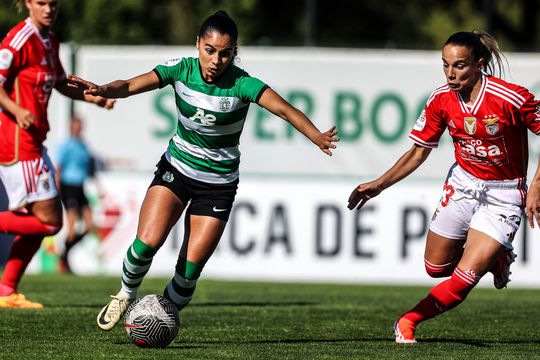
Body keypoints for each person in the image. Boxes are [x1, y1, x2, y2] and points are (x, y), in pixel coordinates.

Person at [67, 10, 339, 331]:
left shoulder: (242, 84)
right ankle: (126, 294)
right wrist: (104, 89)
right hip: (177, 169)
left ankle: (157, 318)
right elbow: (129, 85)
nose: (216, 60)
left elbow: (284, 108)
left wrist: (315, 135)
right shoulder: (180, 69)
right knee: (146, 244)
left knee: (188, 274)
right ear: (197, 44)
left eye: (225, 54)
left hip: (218, 185)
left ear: (234, 53)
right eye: (209, 50)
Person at [348, 30, 540, 343]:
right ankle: (495, 257)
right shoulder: (441, 99)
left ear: (479, 64)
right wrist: (379, 184)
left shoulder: (511, 98)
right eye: (445, 65)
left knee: (464, 279)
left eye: (460, 66)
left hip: (504, 194)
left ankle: (409, 320)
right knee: (435, 268)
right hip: (463, 185)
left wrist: (536, 185)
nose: (451, 74)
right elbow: (418, 152)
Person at [0, 0, 115, 308]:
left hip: (35, 142)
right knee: (50, 224)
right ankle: (6, 289)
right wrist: (15, 109)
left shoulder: (50, 40)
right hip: (17, 144)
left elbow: (61, 83)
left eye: (53, 3)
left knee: (37, 224)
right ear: (28, 3)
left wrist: (94, 99)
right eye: (42, 3)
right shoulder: (17, 40)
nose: (49, 9)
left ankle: (6, 291)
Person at [55, 115, 100, 274]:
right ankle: (63, 260)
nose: (77, 129)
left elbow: (89, 170)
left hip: (80, 187)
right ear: (70, 127)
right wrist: (58, 191)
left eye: (79, 126)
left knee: (89, 225)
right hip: (68, 187)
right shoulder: (65, 146)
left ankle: (64, 255)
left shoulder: (84, 146)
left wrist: (98, 187)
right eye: (75, 126)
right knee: (72, 227)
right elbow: (58, 169)